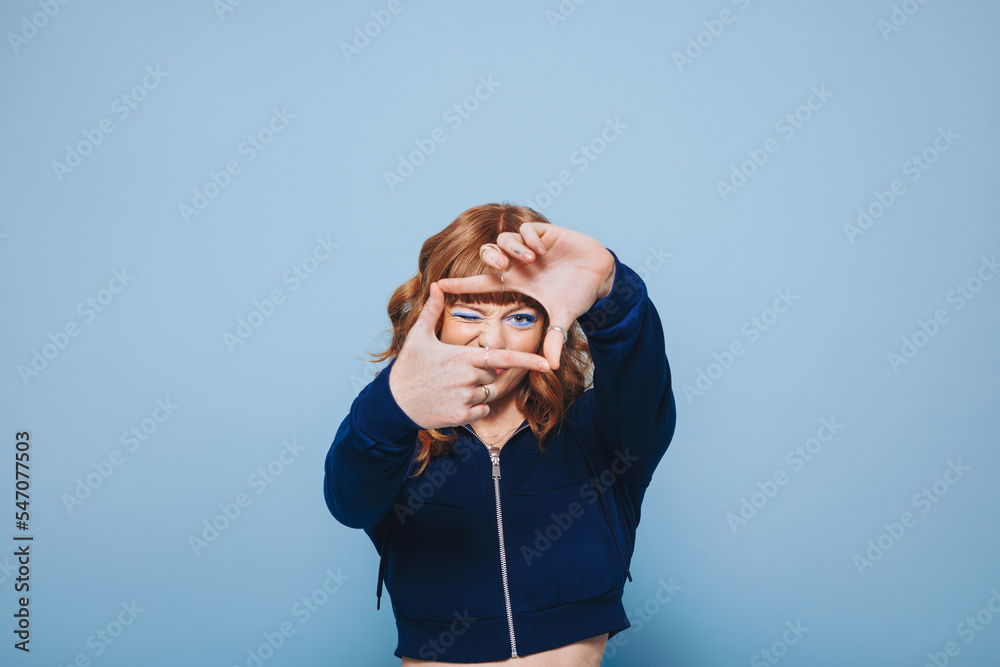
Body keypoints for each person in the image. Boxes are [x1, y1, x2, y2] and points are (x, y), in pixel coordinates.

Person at [324, 203, 676, 665]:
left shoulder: (600, 432)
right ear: (434, 318)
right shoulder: (397, 439)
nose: (492, 342)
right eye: (469, 314)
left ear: (551, 326)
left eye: (521, 318)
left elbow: (641, 385)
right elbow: (349, 503)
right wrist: (393, 405)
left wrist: (614, 290)